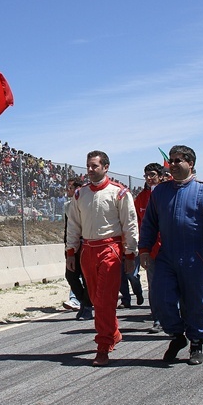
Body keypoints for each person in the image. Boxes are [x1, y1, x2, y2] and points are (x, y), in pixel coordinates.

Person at [138, 145, 203, 365]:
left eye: (178, 160)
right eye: (171, 160)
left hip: (195, 256)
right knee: (161, 299)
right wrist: (144, 249)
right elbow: (149, 224)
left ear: (191, 163)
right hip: (166, 255)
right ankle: (177, 336)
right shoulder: (160, 192)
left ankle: (197, 342)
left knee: (196, 302)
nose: (173, 165)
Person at [65, 150, 139, 367]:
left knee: (106, 301)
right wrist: (71, 251)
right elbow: (73, 225)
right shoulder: (80, 194)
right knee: (97, 300)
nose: (90, 170)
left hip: (110, 249)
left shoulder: (120, 193)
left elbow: (130, 224)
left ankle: (103, 346)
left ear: (106, 167)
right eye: (88, 166)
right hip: (87, 251)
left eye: (94, 166)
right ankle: (113, 332)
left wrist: (130, 253)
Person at [133, 162, 165, 333]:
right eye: (146, 175)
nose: (149, 178)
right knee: (154, 285)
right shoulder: (141, 198)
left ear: (160, 176)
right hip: (151, 250)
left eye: (152, 174)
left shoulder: (169, 192)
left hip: (170, 247)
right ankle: (158, 319)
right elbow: (138, 223)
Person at [63, 177, 93, 320]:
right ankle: (84, 301)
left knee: (87, 277)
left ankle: (87, 307)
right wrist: (68, 246)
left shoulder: (88, 203)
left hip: (87, 244)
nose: (68, 191)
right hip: (73, 245)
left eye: (70, 188)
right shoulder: (67, 206)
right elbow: (68, 228)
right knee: (71, 275)